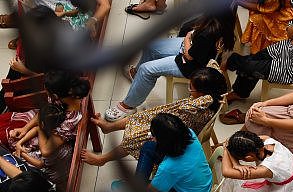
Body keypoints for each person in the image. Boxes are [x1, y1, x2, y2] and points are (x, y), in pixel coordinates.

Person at [104, 8, 235, 121]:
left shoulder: (209, 32)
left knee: (147, 70)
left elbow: (189, 55)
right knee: (151, 47)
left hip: (192, 64)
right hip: (195, 50)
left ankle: (129, 106)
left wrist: (188, 37)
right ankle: (136, 76)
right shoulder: (224, 22)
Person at [81, 66, 227, 166]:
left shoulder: (202, 105)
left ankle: (102, 160)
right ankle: (109, 127)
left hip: (172, 131)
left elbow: (187, 108)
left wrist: (210, 97)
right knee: (139, 116)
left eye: (191, 88)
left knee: (134, 139)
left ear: (204, 94)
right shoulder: (205, 97)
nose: (189, 90)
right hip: (171, 117)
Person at [104, 113, 213, 192]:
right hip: (200, 185)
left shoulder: (169, 167)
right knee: (148, 147)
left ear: (165, 142)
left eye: (154, 135)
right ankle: (136, 189)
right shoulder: (188, 133)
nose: (152, 137)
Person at [1, 71, 89, 166]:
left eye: (47, 92)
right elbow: (43, 112)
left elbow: (46, 151)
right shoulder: (63, 96)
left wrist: (40, 128)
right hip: (46, 125)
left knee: (8, 140)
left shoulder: (70, 120)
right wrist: (24, 129)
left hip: (51, 137)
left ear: (55, 96)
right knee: (7, 126)